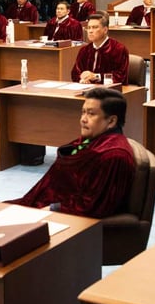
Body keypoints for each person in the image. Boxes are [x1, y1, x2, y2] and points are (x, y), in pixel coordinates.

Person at [9, 87, 136, 218]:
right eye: (83, 112)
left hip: (61, 218)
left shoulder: (113, 155)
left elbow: (95, 206)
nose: (83, 119)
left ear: (111, 121)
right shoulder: (93, 140)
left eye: (91, 114)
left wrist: (53, 209)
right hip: (43, 204)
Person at [72, 13, 128, 84]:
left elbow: (120, 76)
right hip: (87, 88)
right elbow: (75, 73)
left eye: (95, 27)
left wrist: (96, 76)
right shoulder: (84, 50)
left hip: (110, 90)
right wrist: (82, 79)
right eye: (88, 28)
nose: (90, 31)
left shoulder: (118, 49)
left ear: (105, 30)